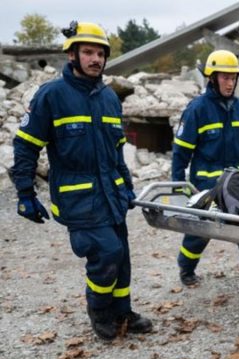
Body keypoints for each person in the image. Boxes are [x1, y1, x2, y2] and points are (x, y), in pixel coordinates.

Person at [10, 21, 153, 341]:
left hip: (111, 194)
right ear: (72, 55)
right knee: (106, 252)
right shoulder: (51, 96)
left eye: (100, 53)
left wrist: (127, 186)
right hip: (79, 197)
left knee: (122, 256)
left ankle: (122, 311)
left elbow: (117, 151)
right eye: (88, 52)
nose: (95, 59)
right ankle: (100, 312)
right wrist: (24, 192)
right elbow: (26, 145)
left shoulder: (109, 99)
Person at [171, 50, 239, 298]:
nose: (230, 83)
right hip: (206, 182)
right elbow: (181, 152)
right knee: (201, 230)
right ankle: (186, 266)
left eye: (233, 78)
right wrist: (179, 185)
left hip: (237, 180)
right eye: (225, 77)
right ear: (212, 78)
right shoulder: (196, 110)